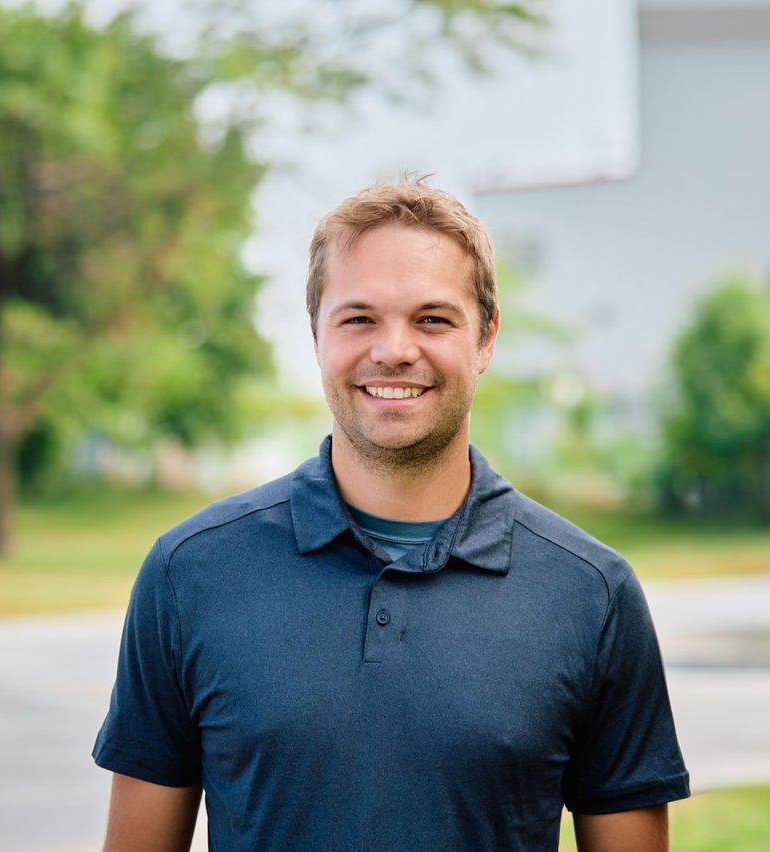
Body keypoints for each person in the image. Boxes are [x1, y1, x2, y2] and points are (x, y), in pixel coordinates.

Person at [92, 176, 690, 850]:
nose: (394, 349)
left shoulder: (591, 594)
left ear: (487, 337)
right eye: (359, 318)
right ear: (316, 334)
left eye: (432, 318)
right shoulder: (190, 573)